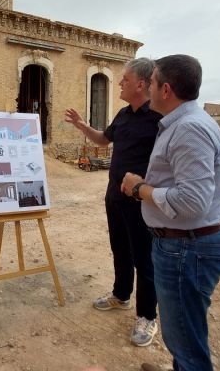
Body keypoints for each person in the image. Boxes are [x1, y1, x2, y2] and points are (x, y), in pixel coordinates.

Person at [121, 55, 220, 371]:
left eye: (153, 82)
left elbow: (193, 201)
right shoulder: (182, 124)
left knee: (185, 340)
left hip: (187, 248)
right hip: (184, 244)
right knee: (184, 331)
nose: (149, 88)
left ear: (165, 89)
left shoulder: (189, 129)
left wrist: (139, 188)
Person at [65, 58, 161, 347]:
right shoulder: (122, 114)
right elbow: (104, 140)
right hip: (114, 195)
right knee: (119, 248)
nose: (120, 83)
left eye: (125, 79)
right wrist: (83, 126)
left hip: (140, 200)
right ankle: (121, 295)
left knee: (144, 258)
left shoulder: (159, 118)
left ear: (141, 84)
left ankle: (147, 316)